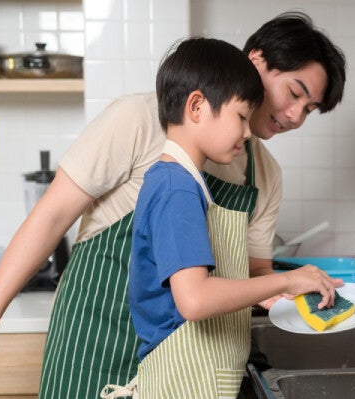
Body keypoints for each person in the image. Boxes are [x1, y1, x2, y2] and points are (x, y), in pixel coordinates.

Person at [0, 11, 346, 398]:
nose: (295, 116)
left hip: (179, 363)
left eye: (309, 110)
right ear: (257, 60)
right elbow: (51, 216)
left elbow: (253, 271)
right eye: (295, 93)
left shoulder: (265, 174)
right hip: (96, 341)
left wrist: (296, 291)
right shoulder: (139, 121)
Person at [121, 36, 340, 399]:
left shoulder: (183, 180)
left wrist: (292, 289)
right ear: (196, 106)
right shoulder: (177, 187)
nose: (248, 131)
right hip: (181, 379)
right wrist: (284, 283)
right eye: (240, 116)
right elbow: (194, 300)